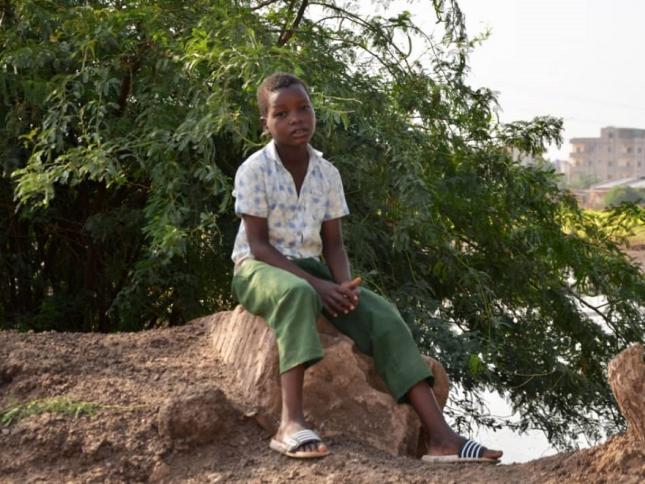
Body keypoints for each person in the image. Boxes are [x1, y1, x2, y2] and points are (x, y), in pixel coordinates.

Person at [230, 72, 503, 463]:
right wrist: (317, 287)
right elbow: (258, 245)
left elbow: (333, 244)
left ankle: (442, 438)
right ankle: (290, 423)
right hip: (258, 268)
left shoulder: (327, 174)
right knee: (297, 293)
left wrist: (342, 287)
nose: (296, 119)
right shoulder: (254, 170)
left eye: (304, 108)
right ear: (266, 124)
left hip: (312, 269)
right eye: (282, 113)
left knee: (384, 316)